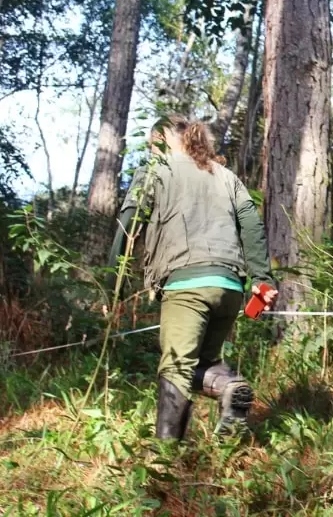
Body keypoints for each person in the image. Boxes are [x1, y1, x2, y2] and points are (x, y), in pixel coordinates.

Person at [109, 115, 278, 440]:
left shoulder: (155, 171)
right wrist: (262, 279)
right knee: (204, 363)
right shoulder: (227, 177)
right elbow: (253, 227)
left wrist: (112, 283)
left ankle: (166, 458)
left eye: (151, 144)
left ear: (160, 140)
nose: (150, 151)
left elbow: (129, 221)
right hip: (229, 287)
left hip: (186, 283)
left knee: (175, 366)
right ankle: (230, 386)